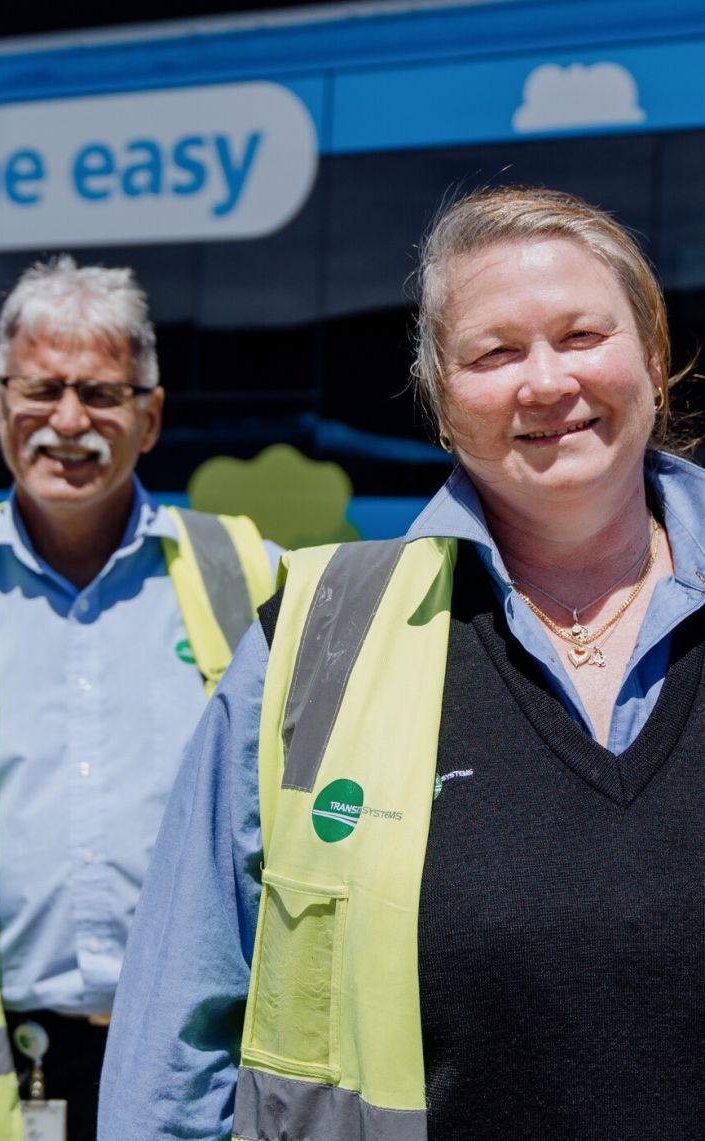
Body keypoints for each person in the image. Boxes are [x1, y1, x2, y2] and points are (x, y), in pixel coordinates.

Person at [98, 187, 704, 1140]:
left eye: (583, 336)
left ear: (655, 359)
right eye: (495, 353)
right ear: (442, 401)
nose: (544, 381)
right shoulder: (310, 639)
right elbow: (176, 1035)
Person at [0, 257, 279, 1141]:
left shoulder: (249, 574)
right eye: (42, 389)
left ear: (149, 417)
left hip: (196, 1071)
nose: (69, 421)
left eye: (103, 394)